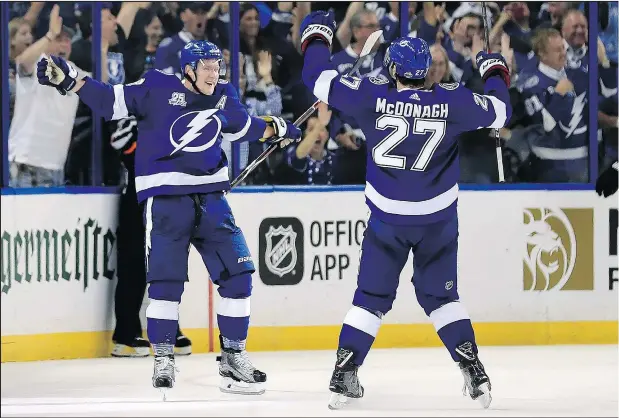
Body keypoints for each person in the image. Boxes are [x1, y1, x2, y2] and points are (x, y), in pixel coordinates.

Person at [36, 40, 301, 396]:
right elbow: (108, 101)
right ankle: (163, 357)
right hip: (166, 202)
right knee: (165, 284)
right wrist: (71, 80)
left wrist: (278, 129)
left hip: (212, 200)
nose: (214, 72)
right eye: (206, 66)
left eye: (216, 66)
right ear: (188, 69)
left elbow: (247, 127)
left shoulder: (223, 94)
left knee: (239, 278)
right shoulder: (155, 87)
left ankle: (234, 356)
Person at [299, 11, 512, 410]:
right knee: (443, 299)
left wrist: (318, 34)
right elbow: (501, 111)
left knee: (370, 298)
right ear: (426, 72)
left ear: (393, 69)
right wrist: (494, 69)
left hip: (387, 219)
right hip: (437, 221)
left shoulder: (369, 95)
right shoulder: (452, 100)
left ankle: (345, 371)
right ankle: (473, 368)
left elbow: (317, 79)